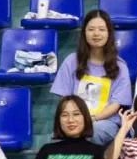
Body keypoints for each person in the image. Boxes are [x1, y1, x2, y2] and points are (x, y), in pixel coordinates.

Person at [51, 9, 132, 146]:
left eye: (101, 29)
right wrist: (76, 119)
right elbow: (65, 99)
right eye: (91, 29)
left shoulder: (120, 66)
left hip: (105, 122)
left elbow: (115, 104)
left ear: (109, 33)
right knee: (55, 138)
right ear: (84, 33)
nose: (96, 34)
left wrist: (91, 119)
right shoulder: (71, 61)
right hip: (74, 119)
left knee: (92, 131)